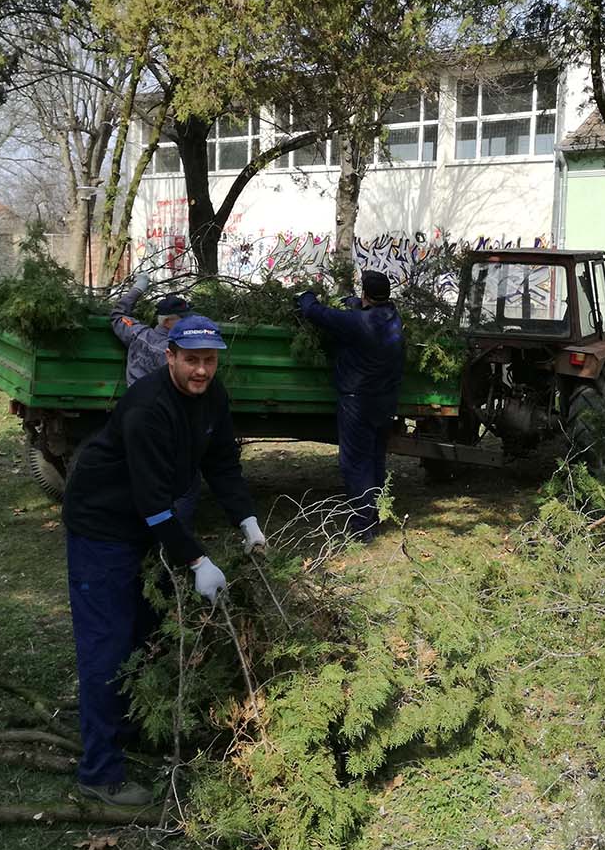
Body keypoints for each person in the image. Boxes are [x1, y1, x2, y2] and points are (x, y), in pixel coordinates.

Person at [61, 315, 268, 806]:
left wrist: (248, 521)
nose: (201, 370)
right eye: (192, 360)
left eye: (210, 361)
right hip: (102, 525)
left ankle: (130, 725)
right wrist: (198, 562)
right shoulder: (148, 408)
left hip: (144, 522)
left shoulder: (212, 397)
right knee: (106, 643)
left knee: (146, 628)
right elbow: (154, 503)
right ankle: (99, 772)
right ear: (170, 355)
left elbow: (222, 464)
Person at [295, 270, 405, 541]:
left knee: (356, 464)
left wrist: (305, 295)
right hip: (385, 402)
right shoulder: (393, 318)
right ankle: (375, 516)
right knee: (376, 460)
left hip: (358, 402)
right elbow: (364, 310)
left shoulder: (356, 323)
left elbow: (314, 312)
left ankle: (363, 528)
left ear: (365, 294)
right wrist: (352, 302)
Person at [110, 272, 190, 386]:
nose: (189, 322)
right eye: (183, 319)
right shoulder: (171, 352)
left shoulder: (138, 334)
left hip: (134, 399)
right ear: (167, 322)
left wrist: (138, 288)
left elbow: (118, 316)